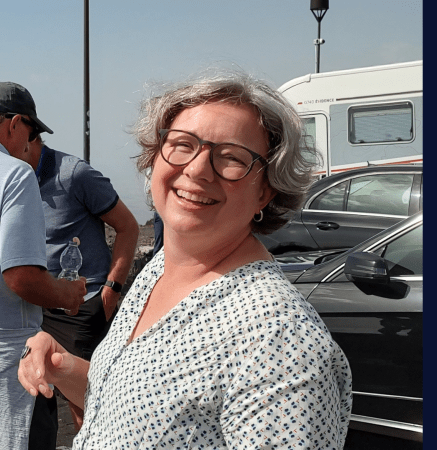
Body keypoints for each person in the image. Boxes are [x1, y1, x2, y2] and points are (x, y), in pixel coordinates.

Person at [18, 70, 353, 449]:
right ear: (155, 156)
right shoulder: (163, 269)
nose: (196, 169)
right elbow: (136, 409)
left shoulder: (279, 339)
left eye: (231, 157)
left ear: (266, 191)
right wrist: (62, 366)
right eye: (182, 144)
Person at [0, 81, 87, 450]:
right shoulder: (13, 174)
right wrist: (67, 293)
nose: (31, 145)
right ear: (15, 124)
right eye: (31, 134)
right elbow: (22, 277)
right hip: (8, 366)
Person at [28, 135, 140, 449]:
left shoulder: (74, 173)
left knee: (86, 407)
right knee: (37, 400)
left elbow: (128, 226)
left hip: (80, 306)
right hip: (33, 306)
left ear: (22, 132)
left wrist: (110, 291)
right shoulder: (11, 178)